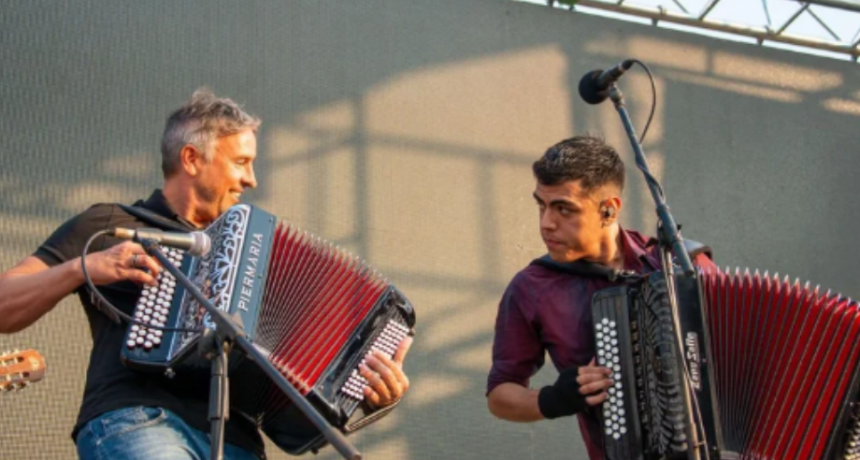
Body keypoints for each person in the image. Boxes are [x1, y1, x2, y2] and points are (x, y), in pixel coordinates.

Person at [0, 89, 412, 460]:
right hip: (141, 422)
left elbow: (290, 404)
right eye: (241, 163)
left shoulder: (262, 255)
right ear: (192, 159)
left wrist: (362, 394)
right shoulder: (110, 224)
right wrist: (83, 267)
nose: (251, 179)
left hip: (239, 442)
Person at [485, 135, 714, 459]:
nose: (546, 223)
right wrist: (552, 399)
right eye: (542, 205)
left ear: (608, 210)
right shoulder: (532, 287)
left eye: (564, 209)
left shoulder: (684, 266)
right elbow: (500, 394)